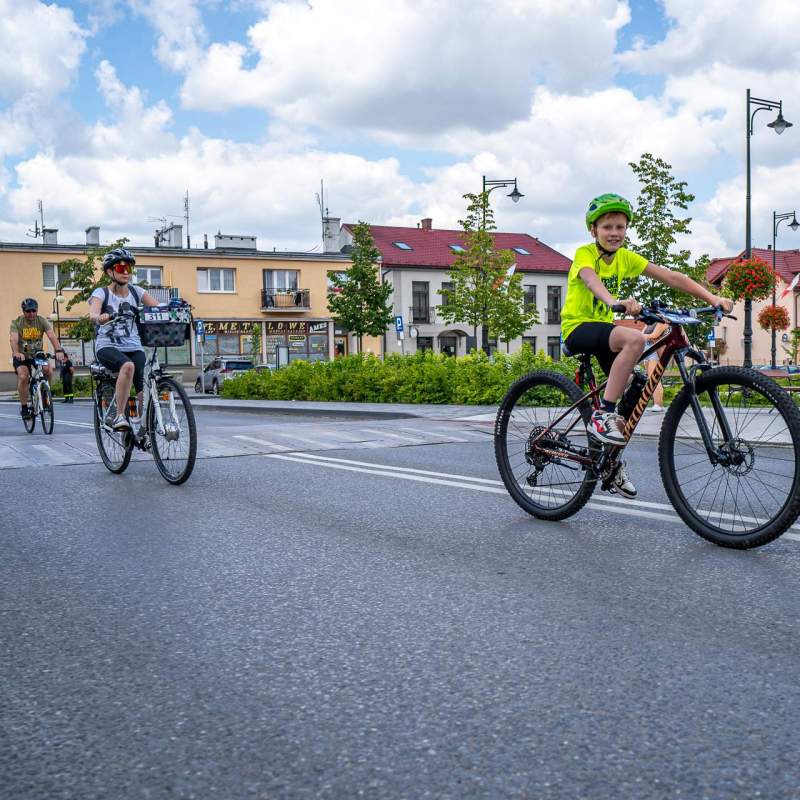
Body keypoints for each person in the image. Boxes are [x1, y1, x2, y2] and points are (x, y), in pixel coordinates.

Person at [560, 193, 733, 499]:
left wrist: (713, 298)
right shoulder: (585, 253)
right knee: (636, 339)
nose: (614, 233)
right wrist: (614, 301)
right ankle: (603, 416)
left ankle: (610, 459)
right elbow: (589, 280)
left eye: (620, 227)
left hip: (604, 331)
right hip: (578, 328)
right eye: (607, 227)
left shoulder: (626, 258)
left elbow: (671, 276)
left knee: (637, 382)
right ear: (593, 230)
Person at [87, 248, 159, 431]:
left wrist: (174, 308)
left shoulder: (137, 292)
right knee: (127, 366)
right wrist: (99, 317)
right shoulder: (101, 293)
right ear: (110, 271)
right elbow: (93, 313)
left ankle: (144, 426)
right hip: (107, 346)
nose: (126, 272)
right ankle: (119, 415)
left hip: (133, 345)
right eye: (121, 268)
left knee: (144, 381)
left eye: (129, 268)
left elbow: (157, 308)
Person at [9, 298, 66, 419]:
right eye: (28, 311)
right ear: (23, 311)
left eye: (33, 311)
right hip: (22, 355)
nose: (31, 313)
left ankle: (45, 394)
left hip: (37, 354)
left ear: (37, 310)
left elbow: (51, 335)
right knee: (23, 376)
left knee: (48, 370)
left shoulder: (41, 320)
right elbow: (13, 339)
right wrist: (16, 352)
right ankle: (24, 407)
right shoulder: (17, 322)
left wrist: (59, 350)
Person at [643, 321, 669, 412]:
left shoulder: (663, 321)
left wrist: (644, 336)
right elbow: (643, 334)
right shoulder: (649, 322)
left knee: (654, 378)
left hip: (654, 352)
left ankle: (657, 404)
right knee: (652, 379)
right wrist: (645, 336)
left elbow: (654, 336)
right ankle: (658, 404)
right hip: (647, 351)